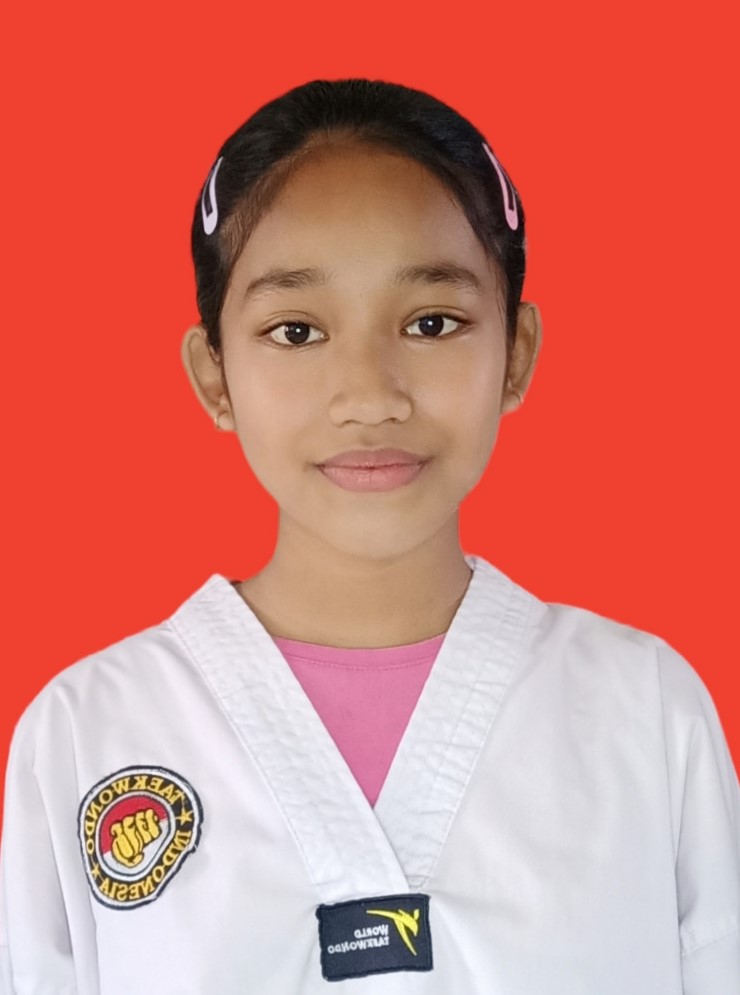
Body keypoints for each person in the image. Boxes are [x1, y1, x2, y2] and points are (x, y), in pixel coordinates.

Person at [0, 77, 738, 995]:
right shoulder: (87, 733)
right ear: (214, 374)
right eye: (296, 331)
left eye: (432, 323)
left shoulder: (644, 712)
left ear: (515, 353)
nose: (370, 396)